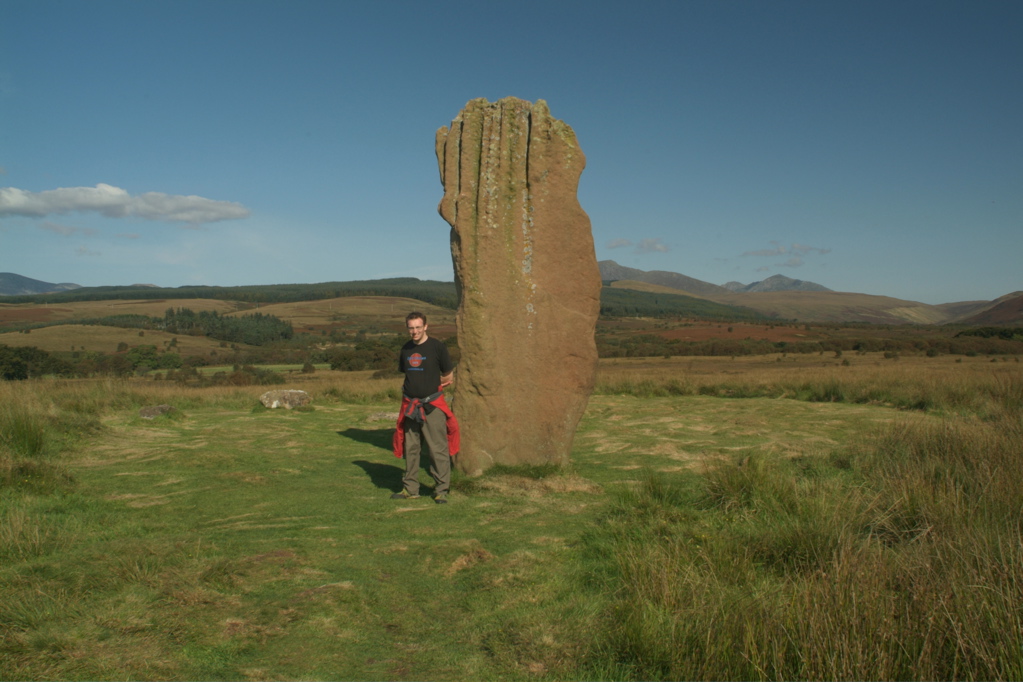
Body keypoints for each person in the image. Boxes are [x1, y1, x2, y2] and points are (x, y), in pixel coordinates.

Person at [391, 311, 459, 504]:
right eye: (411, 328)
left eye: (418, 327)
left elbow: (447, 374)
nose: (414, 331)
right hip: (411, 405)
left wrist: (432, 389)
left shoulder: (437, 347)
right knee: (411, 448)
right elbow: (407, 373)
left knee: (437, 448)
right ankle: (410, 488)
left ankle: (441, 490)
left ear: (426, 326)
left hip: (433, 405)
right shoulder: (405, 349)